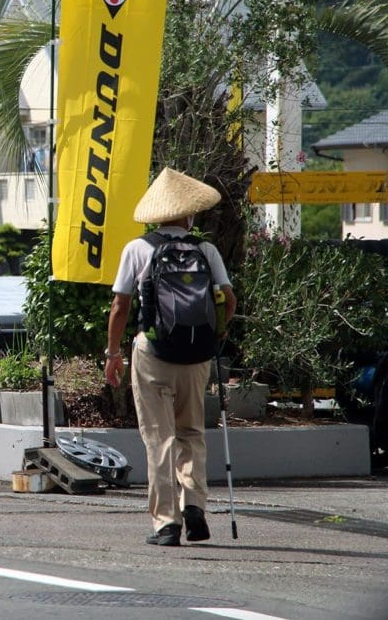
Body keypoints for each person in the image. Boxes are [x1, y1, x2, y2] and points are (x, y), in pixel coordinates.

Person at [103, 167, 237, 546]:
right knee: (192, 433)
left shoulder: (138, 248)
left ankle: (167, 524)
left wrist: (112, 353)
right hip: (197, 356)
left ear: (156, 213)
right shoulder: (205, 250)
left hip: (153, 353)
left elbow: (120, 306)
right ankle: (194, 506)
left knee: (159, 437)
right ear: (189, 213)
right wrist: (217, 334)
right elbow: (228, 298)